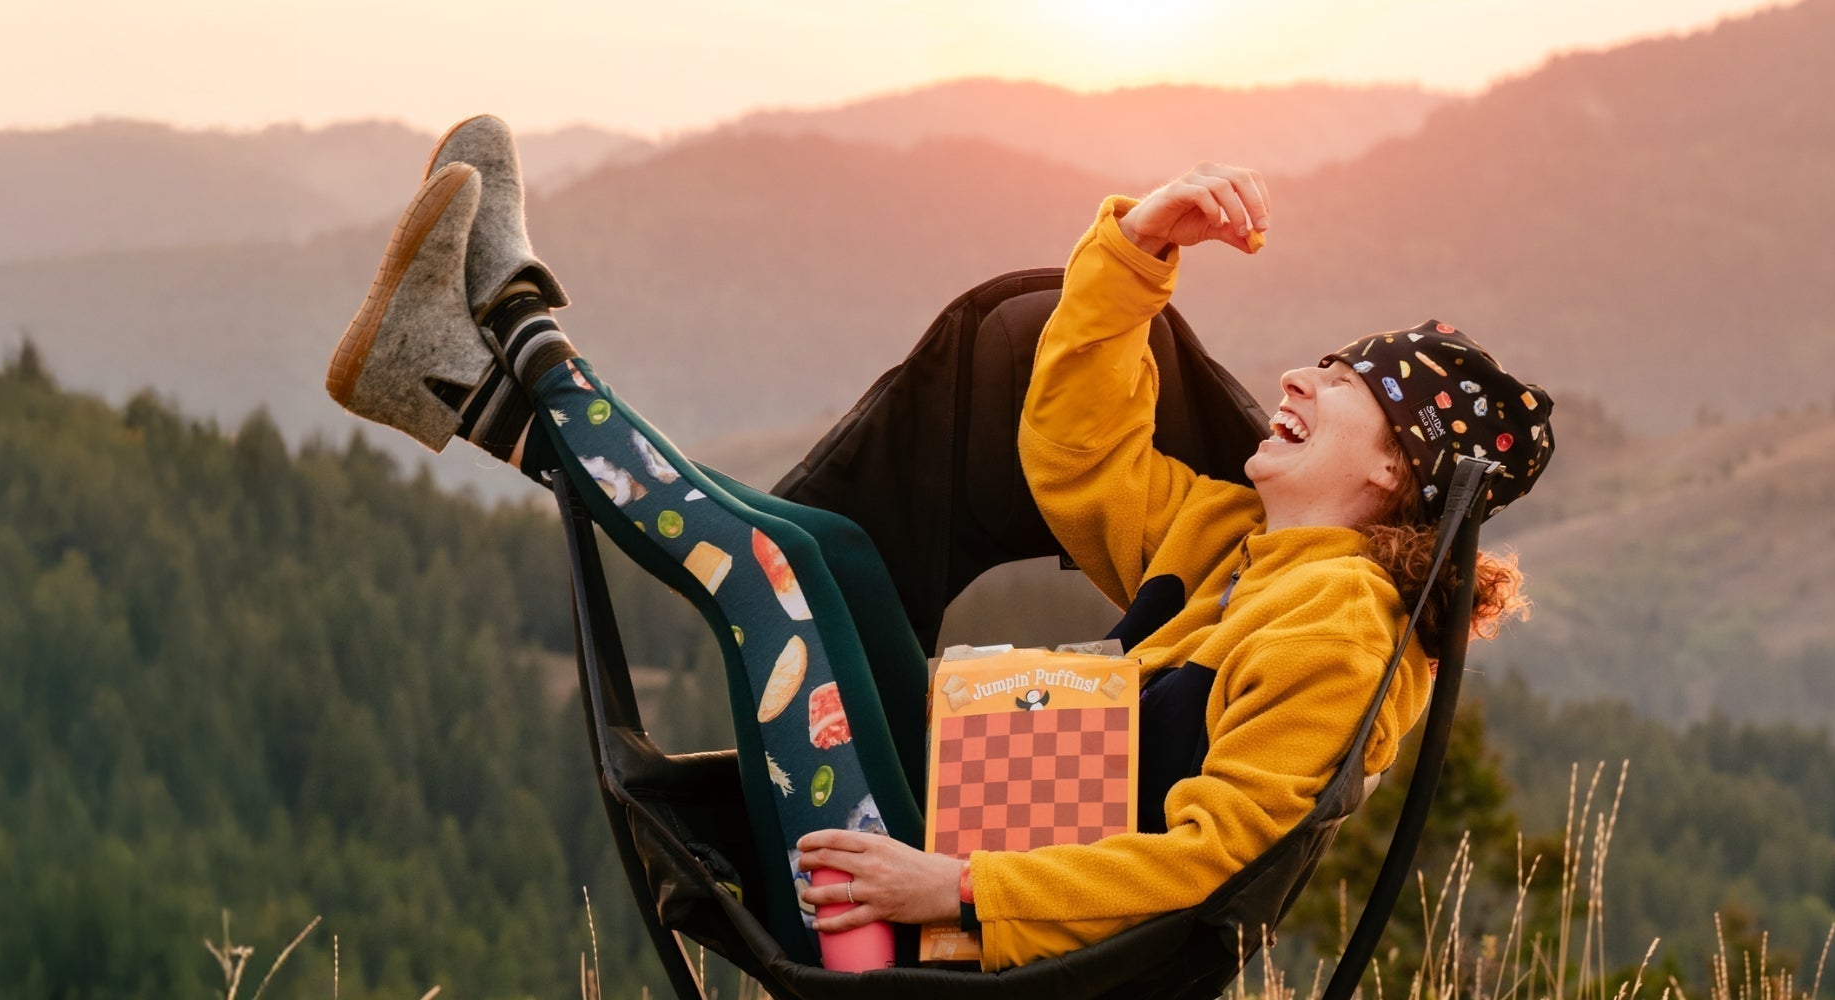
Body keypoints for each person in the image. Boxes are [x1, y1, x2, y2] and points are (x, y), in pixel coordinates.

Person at [322, 116, 1557, 972]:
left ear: (1395, 468)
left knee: (771, 582)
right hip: (955, 817)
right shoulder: (1239, 542)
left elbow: (1218, 865)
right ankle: (467, 370)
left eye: (1341, 380)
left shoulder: (1341, 630)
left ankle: (511, 344)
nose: (1297, 374)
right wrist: (1141, 251)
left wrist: (958, 889)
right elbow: (1071, 450)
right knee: (835, 554)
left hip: (921, 921)